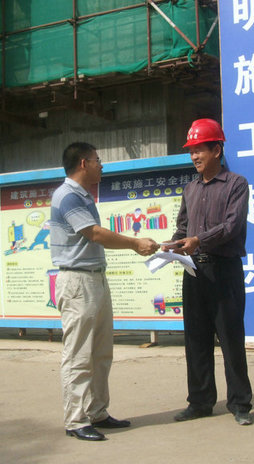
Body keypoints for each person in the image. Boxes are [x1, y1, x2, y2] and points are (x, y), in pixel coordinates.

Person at [50, 142, 159, 441]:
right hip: (78, 282)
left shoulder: (83, 196)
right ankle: (76, 420)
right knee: (78, 354)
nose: (102, 165)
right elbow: (94, 233)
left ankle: (97, 412)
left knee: (100, 352)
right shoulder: (68, 195)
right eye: (98, 160)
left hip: (94, 279)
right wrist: (135, 243)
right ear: (83, 164)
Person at [162, 118, 254, 426]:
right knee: (196, 339)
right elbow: (183, 227)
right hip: (194, 272)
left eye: (199, 150)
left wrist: (199, 240)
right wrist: (172, 245)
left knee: (230, 338)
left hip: (224, 271)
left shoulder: (236, 184)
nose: (194, 156)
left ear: (217, 150)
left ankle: (240, 404)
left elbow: (231, 226)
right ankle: (200, 402)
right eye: (191, 151)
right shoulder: (190, 188)